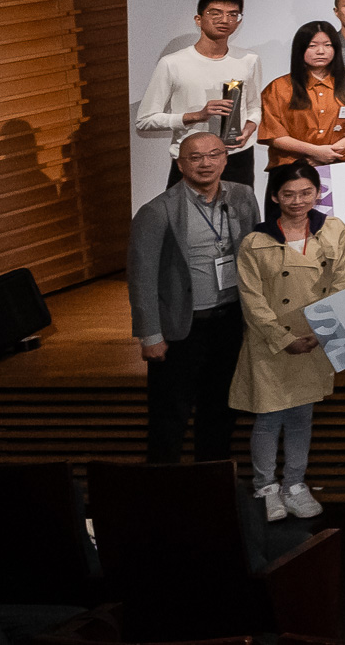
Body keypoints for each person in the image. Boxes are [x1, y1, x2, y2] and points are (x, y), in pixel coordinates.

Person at [229, 162, 345, 520]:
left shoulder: (334, 230)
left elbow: (342, 284)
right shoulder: (256, 241)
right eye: (288, 194)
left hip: (315, 338)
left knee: (302, 415)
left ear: (318, 193)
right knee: (268, 417)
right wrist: (283, 338)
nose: (297, 201)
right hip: (271, 342)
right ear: (274, 196)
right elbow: (251, 301)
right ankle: (266, 487)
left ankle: (295, 484)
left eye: (305, 193)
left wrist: (321, 331)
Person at [131, 132, 254, 463]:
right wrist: (150, 336)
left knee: (220, 413)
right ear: (180, 164)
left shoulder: (243, 196)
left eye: (214, 155)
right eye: (196, 158)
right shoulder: (157, 211)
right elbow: (141, 278)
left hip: (229, 322)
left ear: (225, 159)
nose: (206, 163)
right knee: (169, 418)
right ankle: (163, 499)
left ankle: (211, 491)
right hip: (182, 328)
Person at [137, 0, 266, 186]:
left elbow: (254, 107)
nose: (224, 20)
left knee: (239, 217)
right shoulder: (172, 63)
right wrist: (197, 115)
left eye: (232, 14)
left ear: (239, 21)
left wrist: (248, 129)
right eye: (215, 13)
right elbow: (145, 121)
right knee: (186, 217)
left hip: (237, 157)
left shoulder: (249, 60)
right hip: (192, 158)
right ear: (198, 19)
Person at [258, 21, 345, 168]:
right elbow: (273, 134)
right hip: (293, 168)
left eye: (328, 45)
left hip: (344, 165)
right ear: (300, 49)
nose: (321, 51)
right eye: (312, 46)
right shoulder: (278, 88)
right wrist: (315, 152)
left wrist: (331, 153)